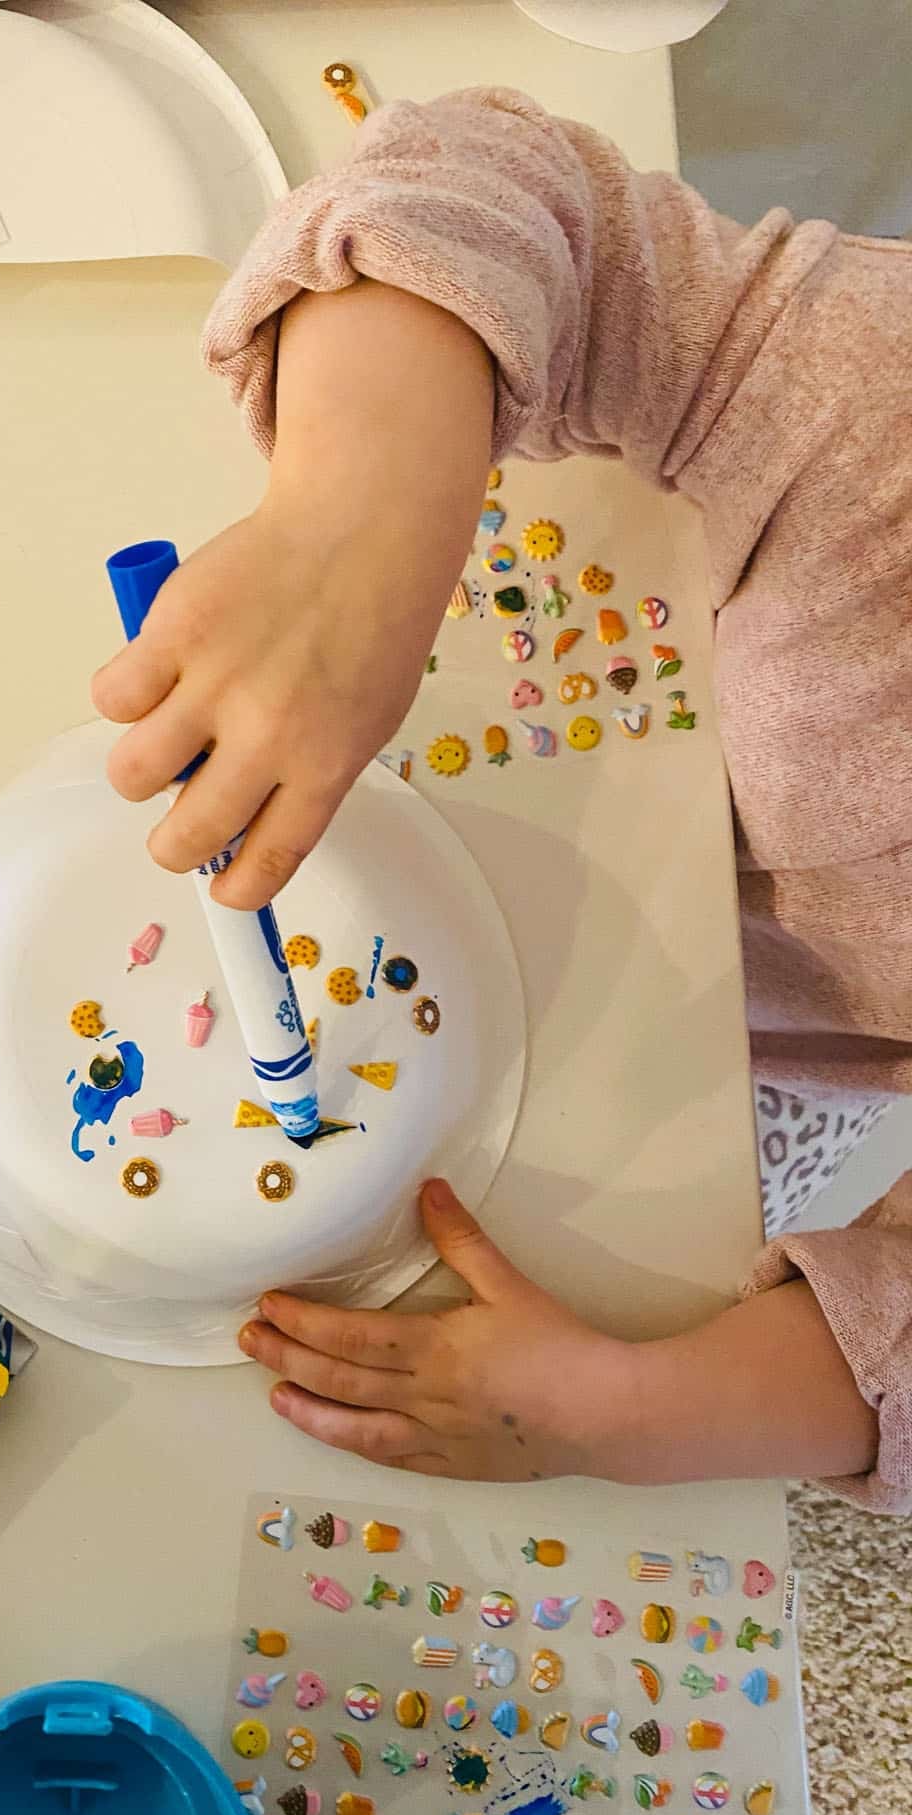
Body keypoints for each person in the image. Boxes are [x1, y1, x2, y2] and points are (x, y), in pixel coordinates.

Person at [91, 89, 911, 1512]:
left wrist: (627, 1409)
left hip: (721, 1061)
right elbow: (499, 183)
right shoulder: (880, 405)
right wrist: (357, 518)